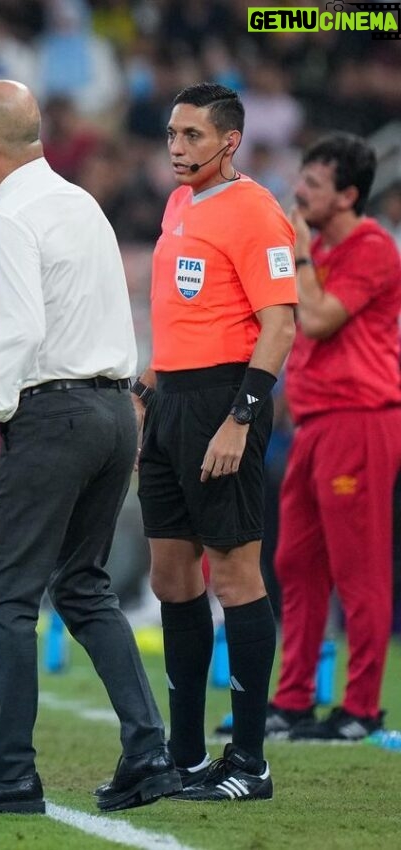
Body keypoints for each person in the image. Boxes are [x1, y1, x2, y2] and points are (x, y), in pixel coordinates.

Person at [0, 79, 180, 815]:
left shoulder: (6, 218)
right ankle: (149, 751)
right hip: (111, 411)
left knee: (4, 596)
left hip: (53, 417)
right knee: (85, 586)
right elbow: (55, 324)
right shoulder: (78, 202)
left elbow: (27, 337)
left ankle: (12, 774)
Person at [133, 83, 297, 802]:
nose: (176, 148)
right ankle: (189, 754)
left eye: (192, 136)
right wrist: (146, 388)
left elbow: (280, 324)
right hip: (171, 400)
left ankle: (251, 762)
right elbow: (181, 313)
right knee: (172, 575)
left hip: (225, 400)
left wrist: (241, 417)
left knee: (235, 576)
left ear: (230, 141)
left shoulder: (258, 211)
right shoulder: (179, 204)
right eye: (172, 134)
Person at [269, 134, 401, 741]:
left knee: (359, 570)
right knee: (296, 562)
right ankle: (293, 700)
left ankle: (360, 708)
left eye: (314, 184)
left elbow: (319, 320)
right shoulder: (318, 248)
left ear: (349, 195)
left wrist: (297, 255)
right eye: (302, 177)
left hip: (360, 417)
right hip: (316, 424)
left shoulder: (372, 247)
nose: (299, 191)